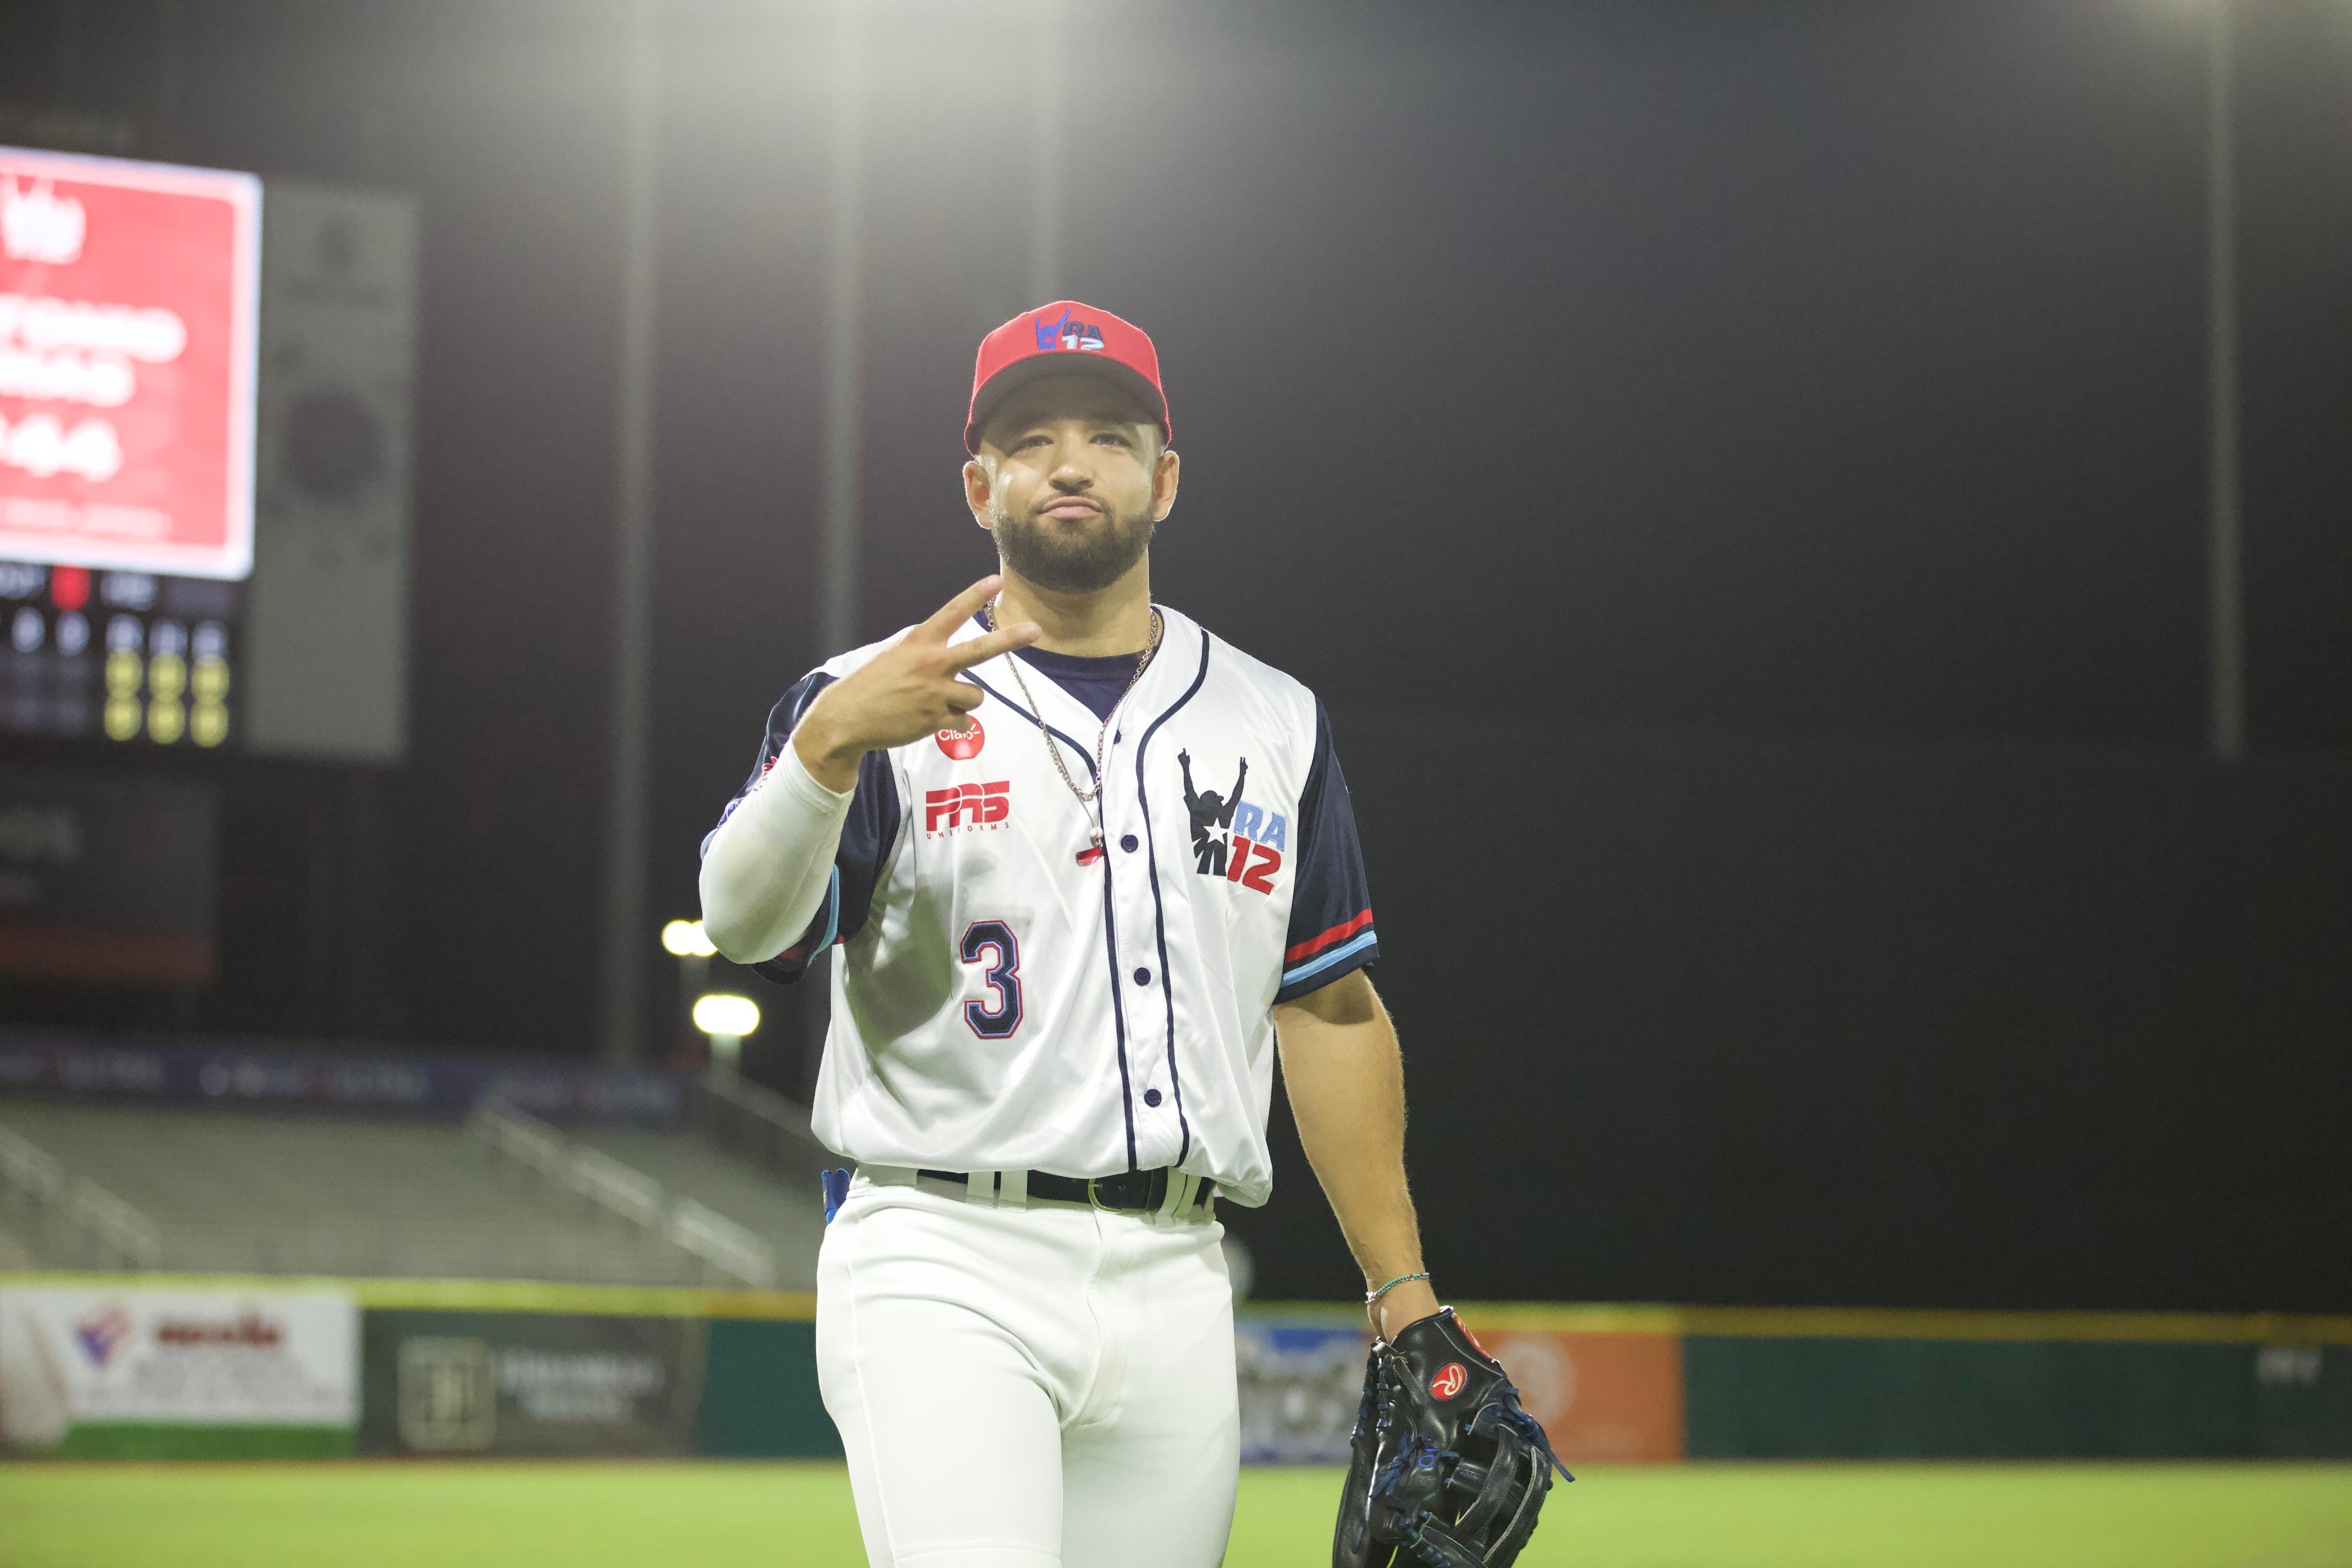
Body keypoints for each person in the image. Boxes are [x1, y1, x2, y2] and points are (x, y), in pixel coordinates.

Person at [699, 301, 1439, 1568]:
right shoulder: (868, 695)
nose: (1070, 460)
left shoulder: (1275, 719)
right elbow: (744, 928)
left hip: (1178, 1270)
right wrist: (823, 753)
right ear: (981, 484)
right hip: (943, 1254)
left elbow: (1327, 1008)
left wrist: (1403, 1287)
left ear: (1164, 478)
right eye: (1032, 438)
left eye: (1108, 433)